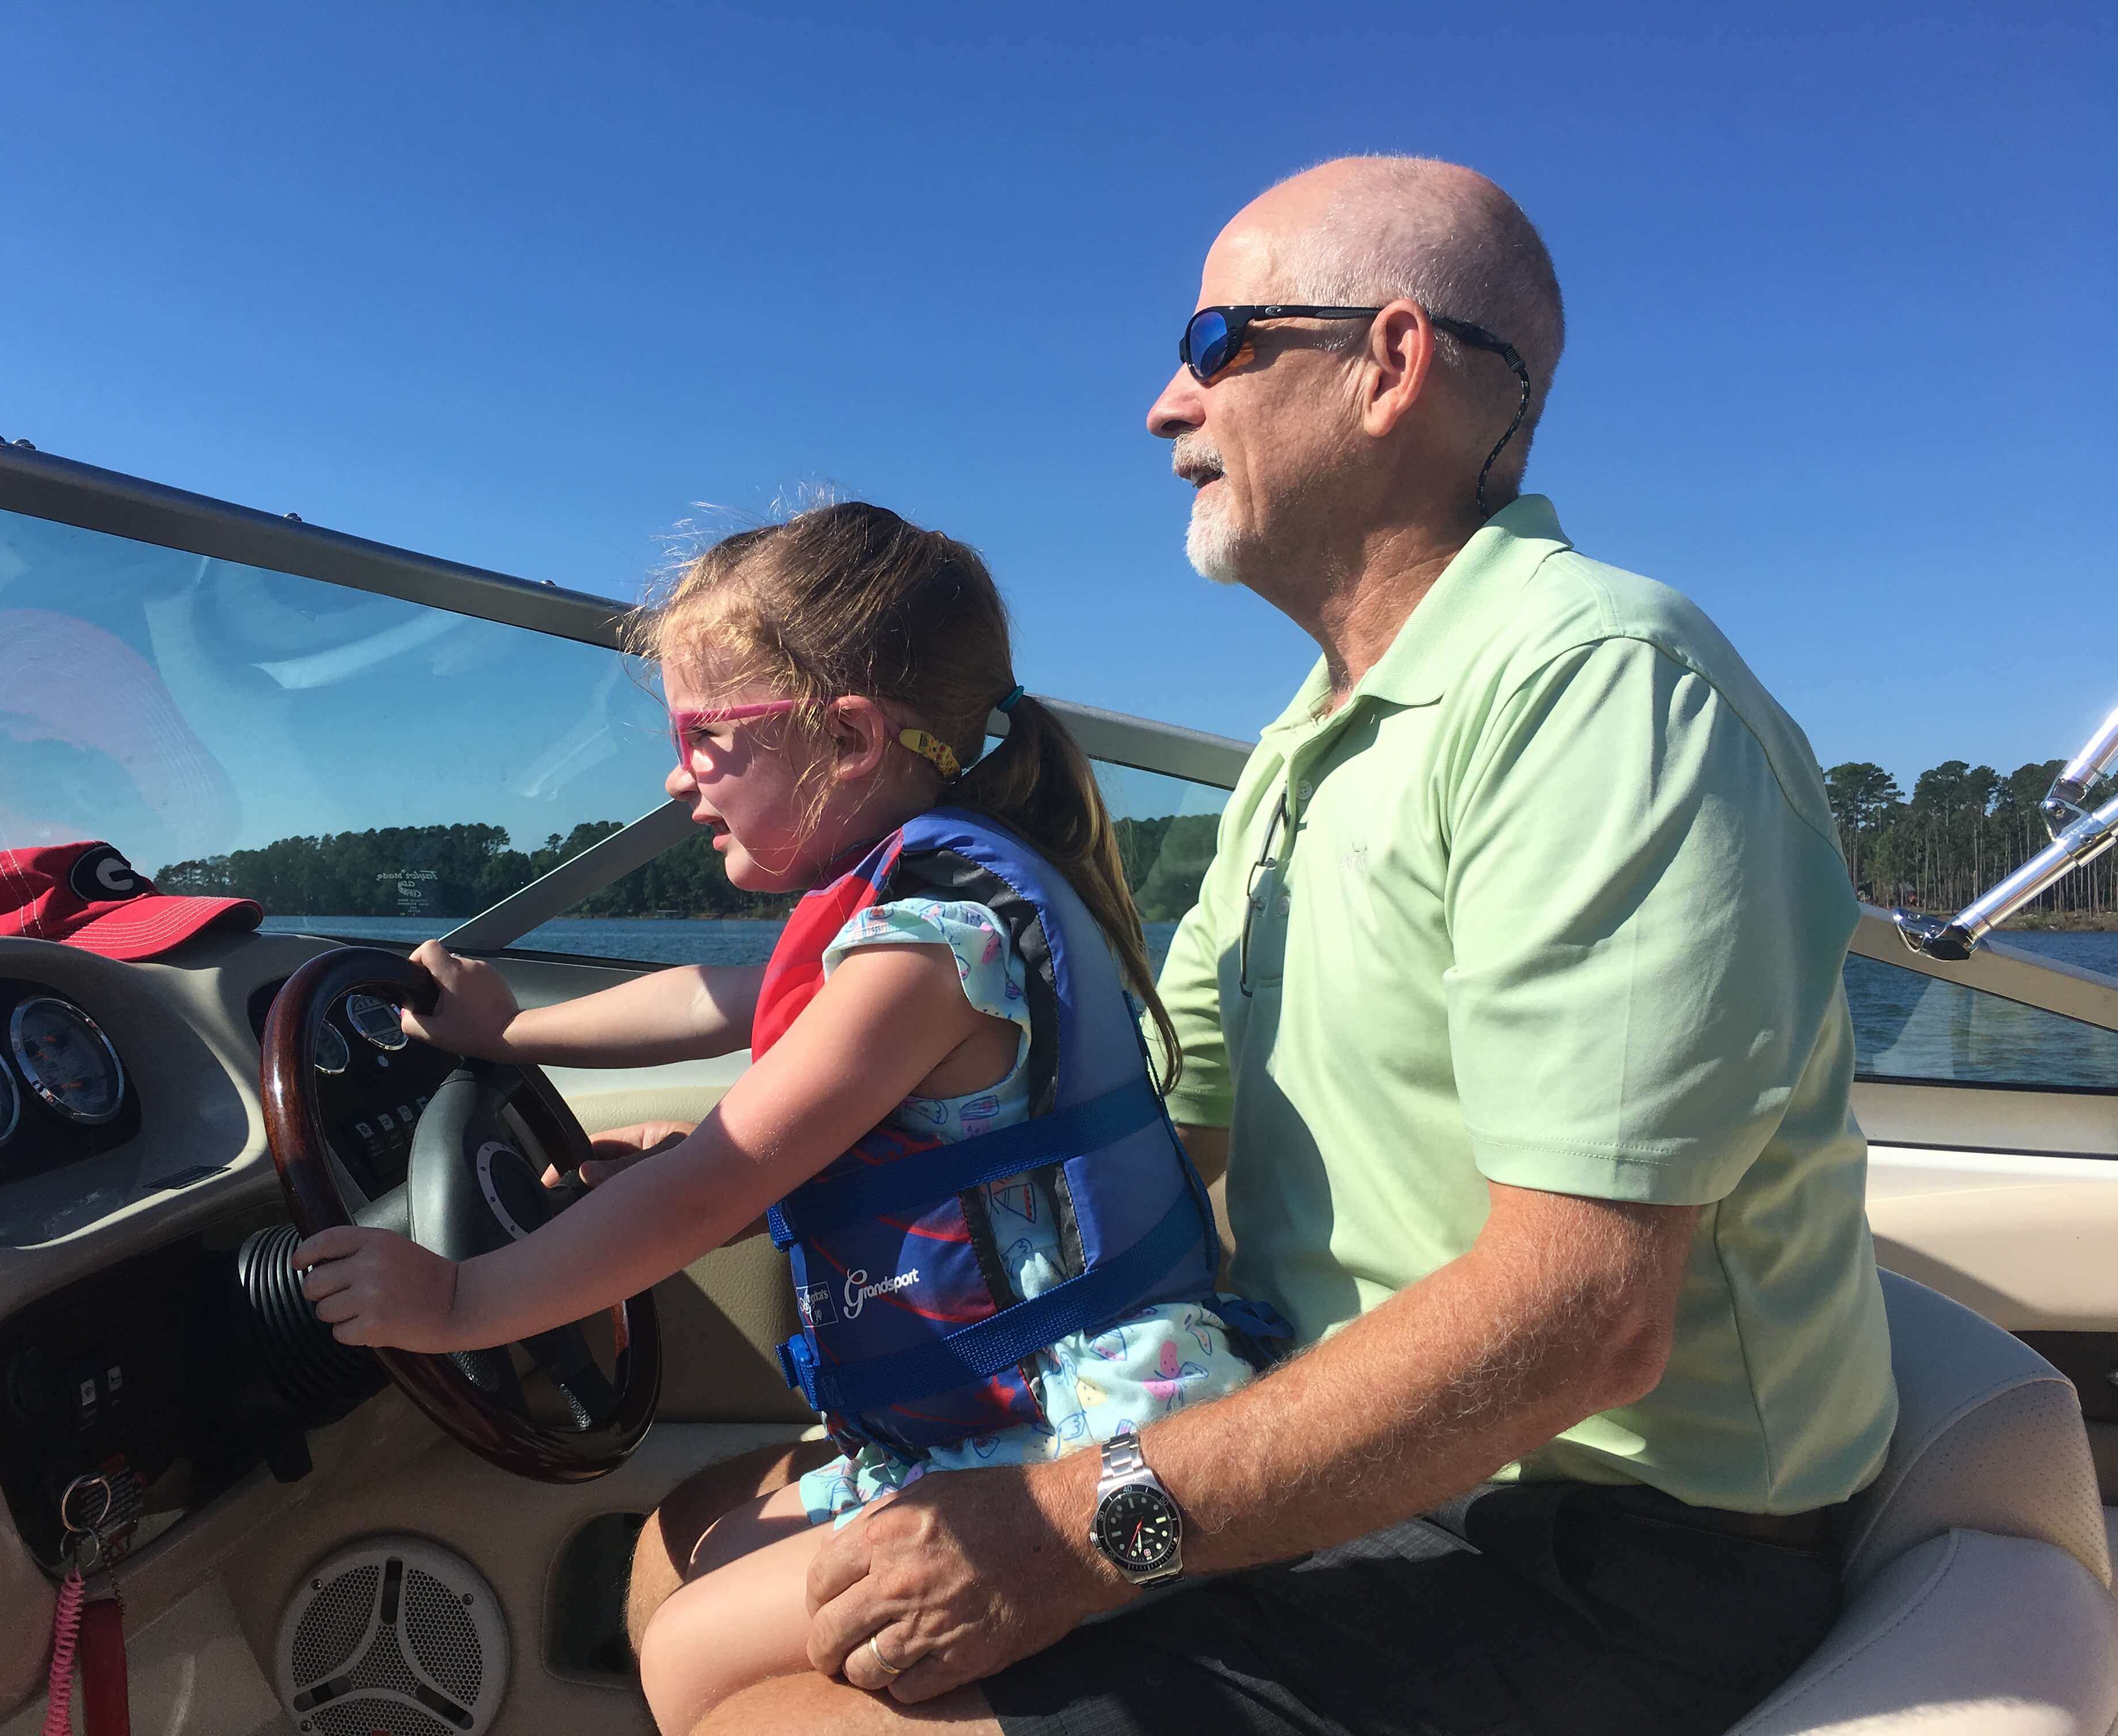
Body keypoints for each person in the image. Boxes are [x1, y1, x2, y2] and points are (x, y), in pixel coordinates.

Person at [668, 157, 1899, 1736]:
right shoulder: (1304, 750)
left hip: (1589, 1554)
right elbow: (1148, 1115)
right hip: (1324, 1434)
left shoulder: (1603, 692)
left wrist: (1071, 1532)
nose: (1162, 407)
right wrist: (733, 1160)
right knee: (698, 1543)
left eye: (1213, 341)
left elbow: (1584, 1316)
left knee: (783, 1706)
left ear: (1390, 364)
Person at [291, 501, 1275, 1736]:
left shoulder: (927, 946)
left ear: (849, 737)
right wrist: (507, 1030)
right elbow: (719, 1005)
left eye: (707, 737)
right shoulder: (907, 909)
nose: (675, 775)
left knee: (696, 1656)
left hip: (1093, 1433)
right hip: (999, 1408)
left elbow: (721, 1179)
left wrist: (457, 1305)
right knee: (689, 1545)